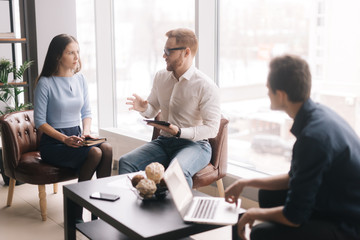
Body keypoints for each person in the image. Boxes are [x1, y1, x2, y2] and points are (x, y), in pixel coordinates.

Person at [225, 55, 360, 240]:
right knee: (267, 195)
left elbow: (294, 216)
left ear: (281, 95)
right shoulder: (318, 115)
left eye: (268, 88)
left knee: (260, 233)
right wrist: (245, 182)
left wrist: (252, 214)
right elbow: (295, 178)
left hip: (347, 224)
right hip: (335, 199)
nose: (267, 93)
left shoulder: (312, 138)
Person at [118, 28, 221, 187]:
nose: (164, 56)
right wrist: (142, 108)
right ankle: (130, 210)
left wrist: (180, 132)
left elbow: (212, 129)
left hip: (196, 145)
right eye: (164, 50)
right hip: (164, 142)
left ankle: (180, 212)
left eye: (168, 51)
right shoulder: (160, 77)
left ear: (186, 52)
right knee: (126, 162)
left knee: (177, 171)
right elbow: (151, 110)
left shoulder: (206, 86)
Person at [34, 34, 113, 222]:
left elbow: (87, 112)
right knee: (95, 153)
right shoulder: (45, 83)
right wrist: (64, 139)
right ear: (57, 56)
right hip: (54, 144)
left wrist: (86, 132)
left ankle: (99, 214)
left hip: (77, 137)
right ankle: (74, 214)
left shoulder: (81, 80)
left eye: (77, 52)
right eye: (70, 52)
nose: (76, 56)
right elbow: (40, 122)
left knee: (106, 149)